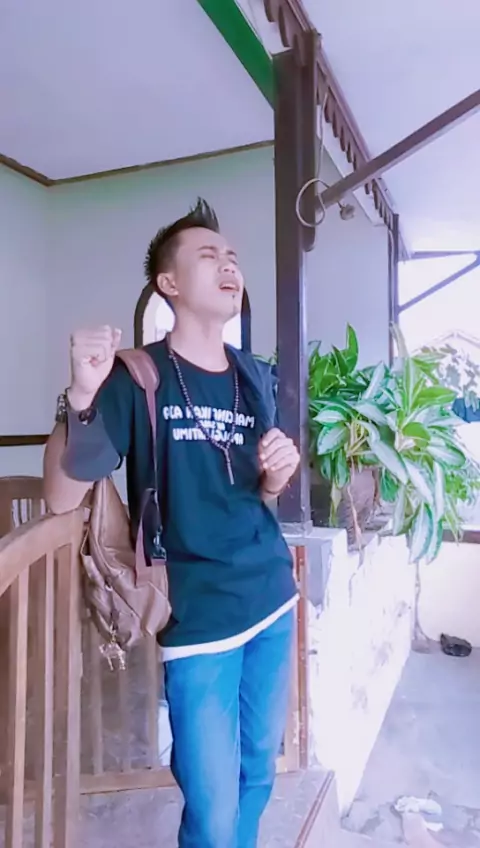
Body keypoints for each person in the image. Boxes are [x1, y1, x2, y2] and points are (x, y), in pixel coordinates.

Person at [44, 199, 300, 848]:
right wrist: (81, 397)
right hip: (198, 620)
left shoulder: (255, 376)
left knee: (256, 774)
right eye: (209, 256)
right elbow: (60, 497)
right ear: (170, 283)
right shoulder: (138, 376)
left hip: (271, 598)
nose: (229, 265)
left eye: (232, 256)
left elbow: (259, 492)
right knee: (211, 811)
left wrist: (277, 475)